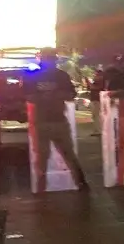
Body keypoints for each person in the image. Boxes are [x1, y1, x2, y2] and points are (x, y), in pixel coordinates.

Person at [22, 47, 87, 192]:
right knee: (43, 158)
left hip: (55, 120)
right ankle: (41, 188)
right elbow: (27, 96)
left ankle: (81, 184)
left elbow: (71, 95)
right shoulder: (35, 76)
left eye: (50, 59)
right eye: (48, 58)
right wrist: (52, 96)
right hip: (44, 121)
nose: (49, 61)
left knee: (65, 155)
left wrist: (49, 96)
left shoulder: (60, 76)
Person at [88, 69, 105, 136]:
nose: (95, 76)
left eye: (96, 74)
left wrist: (88, 82)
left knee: (96, 115)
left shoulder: (101, 81)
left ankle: (99, 130)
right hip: (95, 99)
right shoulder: (98, 81)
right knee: (95, 115)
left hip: (97, 100)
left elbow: (93, 87)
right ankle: (97, 130)